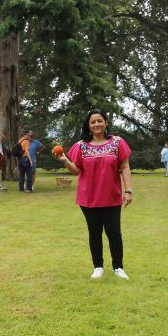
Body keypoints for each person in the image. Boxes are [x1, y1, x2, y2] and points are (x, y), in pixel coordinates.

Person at [55, 109, 133, 281]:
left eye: (99, 121)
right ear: (88, 126)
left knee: (114, 233)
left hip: (112, 197)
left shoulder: (117, 142)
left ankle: (118, 267)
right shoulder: (81, 146)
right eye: (93, 122)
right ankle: (98, 267)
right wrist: (65, 160)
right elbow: (76, 171)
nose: (96, 124)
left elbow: (125, 167)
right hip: (88, 198)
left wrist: (128, 190)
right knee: (94, 233)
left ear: (106, 122)